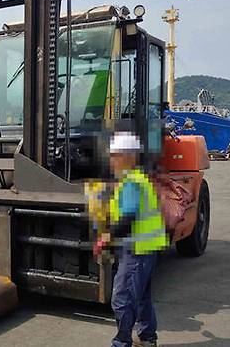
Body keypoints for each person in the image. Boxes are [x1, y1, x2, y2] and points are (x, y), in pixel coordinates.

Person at [93, 131, 169, 347]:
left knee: (122, 298)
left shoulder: (131, 183)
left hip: (137, 249)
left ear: (127, 156)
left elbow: (127, 218)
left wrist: (105, 238)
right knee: (143, 297)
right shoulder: (139, 179)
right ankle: (147, 338)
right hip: (147, 248)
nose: (111, 160)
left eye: (114, 155)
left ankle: (122, 342)